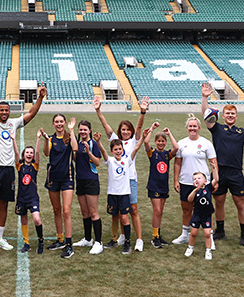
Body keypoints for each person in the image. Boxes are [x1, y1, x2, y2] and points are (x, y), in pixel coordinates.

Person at [0, 76, 46, 256]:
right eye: (1, 110)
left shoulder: (14, 123)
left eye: (6, 110)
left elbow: (31, 114)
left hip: (9, 169)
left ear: (9, 111)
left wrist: (40, 98)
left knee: (4, 204)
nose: (4, 112)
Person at [201, 82, 244, 246]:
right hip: (219, 172)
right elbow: (205, 114)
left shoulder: (242, 132)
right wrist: (204, 97)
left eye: (233, 113)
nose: (230, 115)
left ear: (236, 116)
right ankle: (221, 231)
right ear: (223, 116)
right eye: (227, 113)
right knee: (219, 202)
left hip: (236, 173)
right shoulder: (216, 128)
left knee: (240, 202)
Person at [94, 95, 148, 252]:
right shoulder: (115, 140)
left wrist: (142, 112)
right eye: (123, 129)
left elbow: (139, 128)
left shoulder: (133, 140)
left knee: (133, 209)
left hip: (130, 180)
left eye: (128, 129)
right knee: (117, 213)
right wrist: (98, 110)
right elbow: (105, 125)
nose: (125, 132)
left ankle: (138, 239)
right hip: (117, 183)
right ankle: (122, 236)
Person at [173, 114, 219, 248]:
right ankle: (185, 235)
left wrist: (216, 180)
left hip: (203, 183)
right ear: (187, 128)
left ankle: (209, 237)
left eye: (195, 126)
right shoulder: (181, 143)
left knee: (205, 209)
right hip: (186, 182)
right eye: (190, 126)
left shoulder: (206, 143)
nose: (192, 128)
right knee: (186, 209)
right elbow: (177, 163)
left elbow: (213, 162)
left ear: (199, 127)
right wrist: (176, 180)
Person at [43, 115, 78, 258]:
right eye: (56, 122)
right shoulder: (51, 139)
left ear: (65, 123)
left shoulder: (69, 137)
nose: (59, 124)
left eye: (61, 122)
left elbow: (75, 148)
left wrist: (72, 130)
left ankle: (69, 245)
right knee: (56, 209)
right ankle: (60, 239)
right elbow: (46, 153)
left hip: (67, 178)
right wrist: (45, 140)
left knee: (66, 212)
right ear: (53, 124)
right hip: (53, 178)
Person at [71, 120, 104, 255]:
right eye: (81, 129)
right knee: (84, 212)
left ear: (89, 131)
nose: (83, 132)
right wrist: (71, 131)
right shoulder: (77, 144)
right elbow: (75, 158)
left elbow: (97, 163)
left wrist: (89, 152)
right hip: (80, 180)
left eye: (85, 129)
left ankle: (98, 242)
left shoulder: (93, 144)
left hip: (91, 180)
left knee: (93, 212)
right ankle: (88, 239)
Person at [144, 122, 178, 249]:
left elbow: (176, 148)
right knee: (157, 211)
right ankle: (154, 237)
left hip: (164, 187)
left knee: (160, 212)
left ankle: (158, 234)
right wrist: (152, 128)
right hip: (154, 186)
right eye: (158, 141)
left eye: (163, 141)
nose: (161, 143)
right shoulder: (152, 153)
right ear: (156, 142)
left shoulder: (166, 155)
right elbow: (146, 143)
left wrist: (169, 134)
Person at [13, 130, 45, 254]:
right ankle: (26, 243)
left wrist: (38, 138)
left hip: (32, 198)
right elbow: (15, 152)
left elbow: (38, 152)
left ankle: (40, 240)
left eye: (31, 153)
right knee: (24, 220)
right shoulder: (20, 166)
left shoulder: (35, 166)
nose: (30, 154)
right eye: (27, 152)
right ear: (24, 154)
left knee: (36, 219)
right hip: (21, 198)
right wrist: (13, 140)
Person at [184, 172, 215, 261]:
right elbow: (189, 199)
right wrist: (195, 190)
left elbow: (216, 179)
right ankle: (190, 247)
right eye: (194, 179)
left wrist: (214, 169)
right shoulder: (194, 191)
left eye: (199, 178)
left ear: (205, 181)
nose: (196, 180)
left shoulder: (208, 188)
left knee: (207, 234)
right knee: (193, 233)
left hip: (207, 215)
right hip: (197, 215)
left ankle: (208, 250)